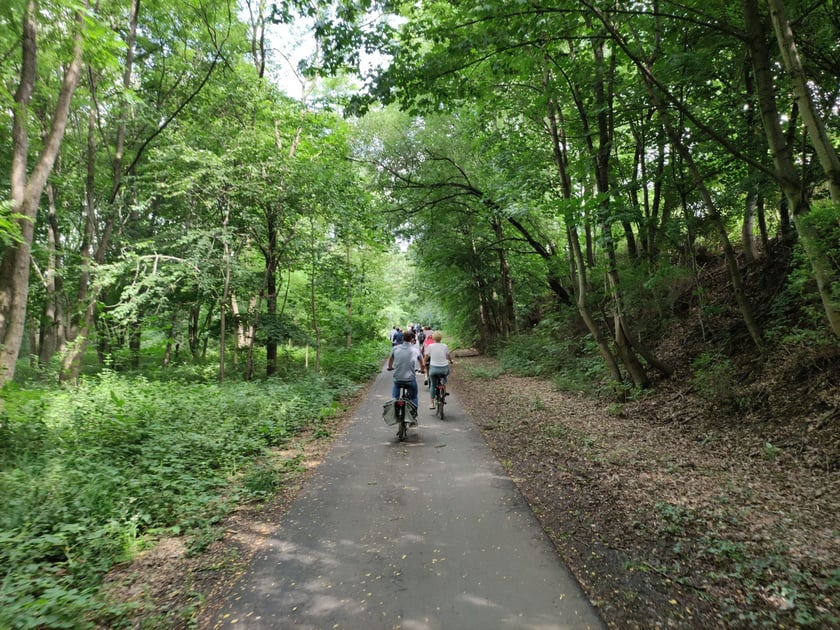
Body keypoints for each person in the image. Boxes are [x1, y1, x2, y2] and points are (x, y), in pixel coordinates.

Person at [387, 329, 425, 413]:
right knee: (413, 397)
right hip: (410, 379)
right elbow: (422, 364)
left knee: (395, 391)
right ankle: (413, 413)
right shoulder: (415, 350)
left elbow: (390, 360)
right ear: (412, 339)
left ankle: (394, 403)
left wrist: (390, 367)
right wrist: (422, 370)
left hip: (398, 378)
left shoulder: (395, 348)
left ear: (403, 338)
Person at [426, 331, 453, 409]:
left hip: (434, 369)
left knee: (433, 385)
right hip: (444, 369)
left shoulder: (430, 346)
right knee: (444, 376)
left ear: (433, 338)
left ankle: (432, 403)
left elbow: (427, 356)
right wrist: (451, 361)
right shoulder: (445, 346)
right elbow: (448, 356)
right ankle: (443, 387)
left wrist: (424, 362)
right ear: (441, 338)